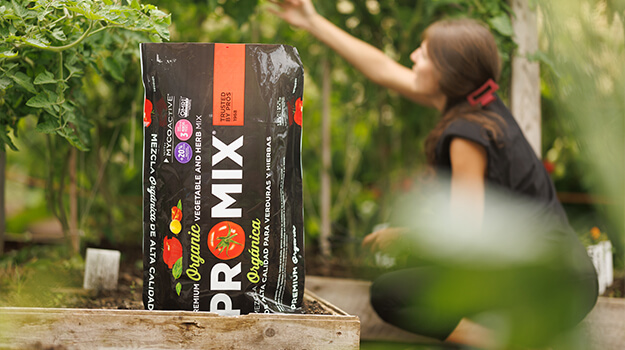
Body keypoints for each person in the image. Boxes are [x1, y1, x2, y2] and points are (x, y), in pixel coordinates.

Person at [270, 0, 599, 347]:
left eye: (424, 54)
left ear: (448, 72)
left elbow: (465, 233)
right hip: (561, 278)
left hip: (550, 285)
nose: (413, 57)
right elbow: (382, 68)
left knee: (391, 293)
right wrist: (312, 20)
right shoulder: (477, 105)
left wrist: (405, 236)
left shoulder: (466, 135)